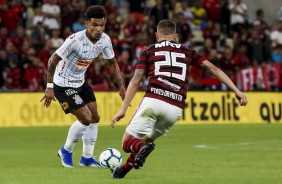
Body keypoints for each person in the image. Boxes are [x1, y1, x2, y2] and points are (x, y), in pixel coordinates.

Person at [110, 19, 248, 178]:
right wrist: (237, 91)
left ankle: (139, 150)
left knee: (128, 143)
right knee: (144, 142)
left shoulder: (149, 50)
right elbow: (214, 69)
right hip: (175, 109)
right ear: (175, 36)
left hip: (154, 101)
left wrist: (123, 109)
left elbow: (135, 81)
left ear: (156, 35)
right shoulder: (188, 51)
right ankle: (121, 173)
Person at [40, 5, 126, 168]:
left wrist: (121, 87)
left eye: (101, 25)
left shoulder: (105, 40)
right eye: (94, 25)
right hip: (62, 84)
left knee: (95, 118)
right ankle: (66, 150)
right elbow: (52, 60)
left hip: (80, 82)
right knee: (85, 118)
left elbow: (112, 63)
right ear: (86, 24)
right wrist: (49, 87)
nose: (98, 29)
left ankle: (86, 158)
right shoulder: (75, 40)